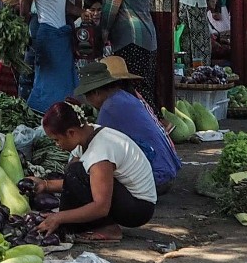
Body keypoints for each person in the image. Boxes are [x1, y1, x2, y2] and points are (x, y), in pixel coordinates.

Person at [33, 99, 158, 239]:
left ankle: (109, 228)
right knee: (73, 172)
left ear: (71, 133)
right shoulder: (88, 133)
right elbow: (74, 183)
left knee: (76, 171)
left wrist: (59, 217)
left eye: (57, 140)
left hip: (138, 208)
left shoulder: (99, 153)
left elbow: (101, 207)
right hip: (126, 197)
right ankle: (84, 224)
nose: (57, 145)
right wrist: (45, 185)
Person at [72, 56, 180, 188]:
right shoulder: (125, 97)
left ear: (95, 93)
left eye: (87, 96)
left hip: (155, 178)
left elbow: (94, 145)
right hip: (165, 172)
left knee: (86, 174)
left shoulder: (110, 107)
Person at [19, 0, 78, 112]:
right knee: (46, 81)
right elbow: (24, 6)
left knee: (65, 80)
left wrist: (83, 12)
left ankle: (61, 115)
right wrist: (27, 34)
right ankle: (41, 115)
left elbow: (65, 4)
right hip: (46, 35)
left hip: (63, 35)